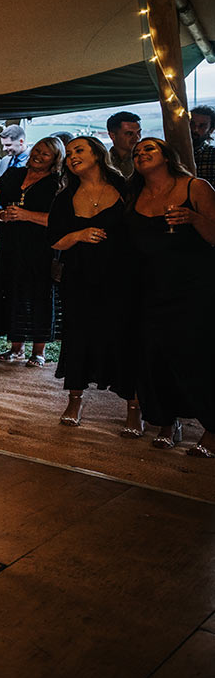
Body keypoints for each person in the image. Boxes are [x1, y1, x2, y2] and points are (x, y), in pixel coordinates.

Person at [125, 137, 215, 454]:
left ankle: (211, 428)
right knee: (153, 358)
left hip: (194, 288)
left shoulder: (195, 187)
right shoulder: (134, 194)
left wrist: (193, 218)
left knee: (195, 357)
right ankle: (167, 421)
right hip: (148, 289)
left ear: (167, 156)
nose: (141, 153)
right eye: (136, 152)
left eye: (149, 148)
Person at [49, 137, 136, 429]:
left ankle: (134, 406)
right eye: (69, 153)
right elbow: (54, 241)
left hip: (120, 278)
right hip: (79, 279)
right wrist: (78, 235)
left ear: (97, 155)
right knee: (78, 338)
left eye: (79, 151)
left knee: (123, 338)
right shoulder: (64, 197)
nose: (72, 156)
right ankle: (75, 399)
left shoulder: (125, 190)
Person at [0, 136, 64, 367]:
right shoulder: (13, 173)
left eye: (45, 154)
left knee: (38, 295)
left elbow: (61, 220)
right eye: (37, 150)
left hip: (39, 248)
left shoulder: (57, 183)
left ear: (55, 160)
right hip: (9, 245)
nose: (38, 156)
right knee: (12, 291)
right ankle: (16, 348)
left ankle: (38, 352)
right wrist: (0, 215)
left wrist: (25, 215)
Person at [105, 111, 141, 179]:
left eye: (138, 132)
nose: (137, 137)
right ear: (112, 136)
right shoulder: (103, 163)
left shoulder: (144, 160)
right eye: (129, 133)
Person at [190, 105, 215, 187]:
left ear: (211, 130)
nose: (195, 129)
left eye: (202, 126)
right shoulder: (171, 153)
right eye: (192, 124)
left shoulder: (213, 155)